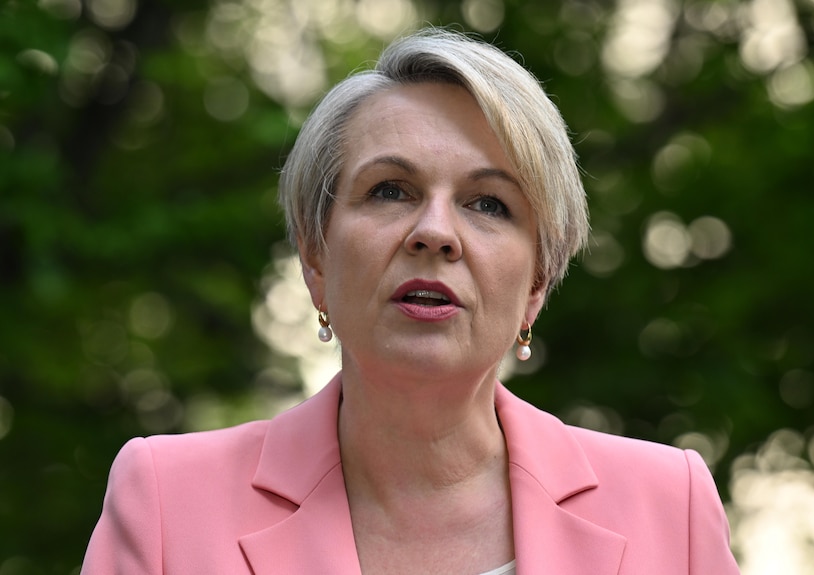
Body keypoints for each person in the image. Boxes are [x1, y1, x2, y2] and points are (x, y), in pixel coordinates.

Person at [81, 27, 739, 574]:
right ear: (316, 255)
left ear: (537, 283)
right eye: (391, 190)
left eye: (489, 203)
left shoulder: (668, 507)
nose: (434, 233)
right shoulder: (167, 501)